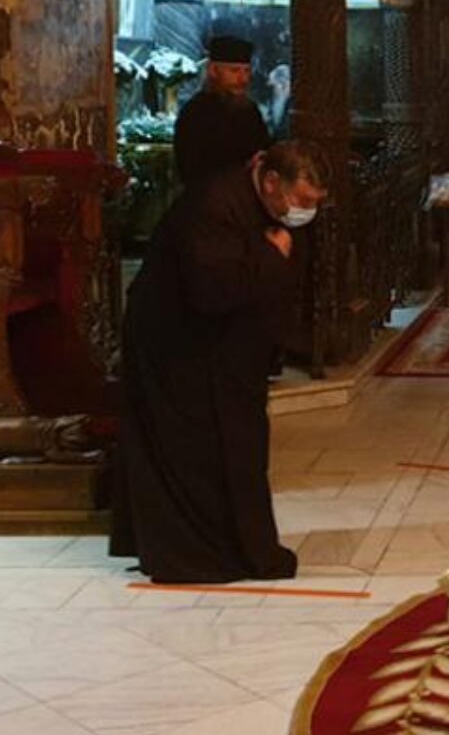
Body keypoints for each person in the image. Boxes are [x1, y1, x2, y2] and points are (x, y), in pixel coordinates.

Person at [110, 141, 328, 583]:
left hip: (224, 352)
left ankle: (246, 546)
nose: (305, 212)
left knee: (240, 446)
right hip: (176, 347)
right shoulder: (213, 205)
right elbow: (211, 289)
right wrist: (271, 257)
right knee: (199, 454)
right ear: (272, 182)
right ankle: (199, 553)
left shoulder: (261, 205)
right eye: (301, 200)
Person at [174, 35, 270, 188]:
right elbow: (193, 168)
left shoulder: (250, 110)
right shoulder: (195, 113)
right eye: (234, 71)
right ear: (213, 70)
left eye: (246, 71)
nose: (243, 79)